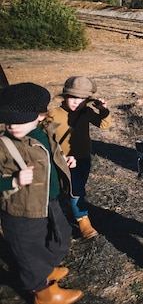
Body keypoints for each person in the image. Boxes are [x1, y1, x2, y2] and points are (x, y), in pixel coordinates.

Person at [0, 82, 83, 304]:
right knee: (29, 249)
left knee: (61, 234)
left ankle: (44, 268)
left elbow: (50, 157)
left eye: (19, 119)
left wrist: (64, 162)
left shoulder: (44, 132)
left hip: (50, 199)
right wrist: (12, 180)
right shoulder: (3, 145)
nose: (12, 125)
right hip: (21, 209)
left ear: (39, 116)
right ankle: (42, 292)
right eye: (8, 120)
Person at [48, 76, 111, 239]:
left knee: (78, 186)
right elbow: (46, 138)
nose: (77, 102)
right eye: (73, 97)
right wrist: (59, 157)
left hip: (84, 157)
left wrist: (103, 110)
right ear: (65, 96)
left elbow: (104, 125)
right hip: (65, 160)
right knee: (76, 190)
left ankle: (71, 202)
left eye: (82, 98)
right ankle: (83, 220)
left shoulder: (87, 113)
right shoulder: (54, 115)